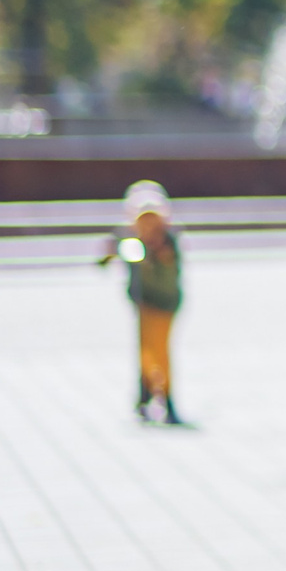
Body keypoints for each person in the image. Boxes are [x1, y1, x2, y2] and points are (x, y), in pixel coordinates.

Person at [99, 181, 184, 425]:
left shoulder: (167, 241)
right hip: (143, 304)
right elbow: (110, 256)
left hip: (164, 304)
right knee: (145, 351)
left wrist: (155, 255)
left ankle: (165, 398)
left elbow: (168, 273)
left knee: (160, 352)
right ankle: (145, 395)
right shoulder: (130, 239)